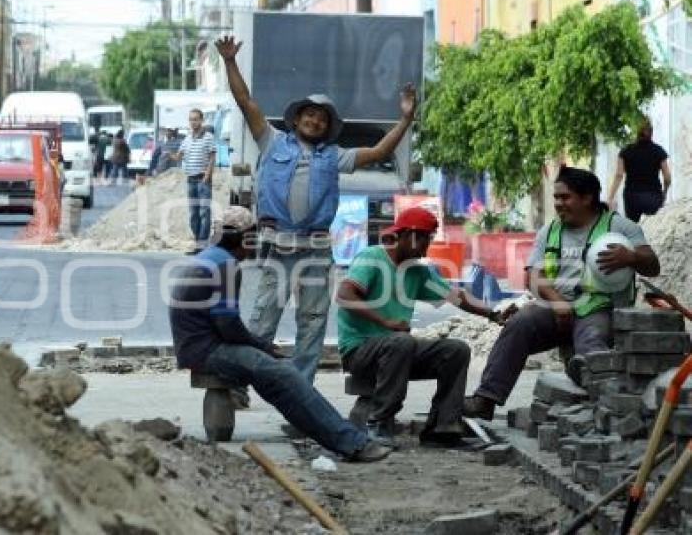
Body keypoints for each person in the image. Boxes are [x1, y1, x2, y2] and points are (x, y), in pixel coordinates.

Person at [215, 34, 418, 386]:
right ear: (296, 120)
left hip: (317, 249)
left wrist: (404, 120)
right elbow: (245, 101)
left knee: (312, 324)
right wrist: (230, 61)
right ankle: (240, 387)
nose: (314, 121)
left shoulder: (334, 155)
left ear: (327, 128)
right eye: (309, 115)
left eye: (321, 119)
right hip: (277, 246)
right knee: (264, 319)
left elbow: (378, 153)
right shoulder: (272, 140)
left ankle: (300, 392)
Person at [168, 205, 391, 463]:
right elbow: (227, 326)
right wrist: (261, 346)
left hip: (199, 347)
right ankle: (351, 443)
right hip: (207, 350)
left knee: (275, 377)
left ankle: (341, 437)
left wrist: (259, 347)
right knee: (284, 375)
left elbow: (226, 325)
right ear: (244, 238)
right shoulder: (226, 265)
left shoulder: (211, 257)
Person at [463, 167, 661, 420]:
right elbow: (532, 278)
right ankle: (485, 399)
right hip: (556, 308)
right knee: (518, 325)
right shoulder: (550, 231)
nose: (558, 204)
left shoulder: (620, 227)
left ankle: (606, 411)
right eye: (556, 198)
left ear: (587, 198)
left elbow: (653, 266)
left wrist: (631, 257)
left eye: (565, 197)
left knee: (591, 345)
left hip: (599, 309)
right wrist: (557, 302)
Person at [337, 207, 511, 447]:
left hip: (396, 350)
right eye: (426, 239)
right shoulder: (372, 258)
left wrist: (493, 314)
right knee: (402, 341)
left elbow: (456, 296)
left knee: (456, 351)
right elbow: (345, 295)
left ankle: (442, 428)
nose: (426, 247)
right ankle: (377, 423)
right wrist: (385, 322)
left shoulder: (417, 272)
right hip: (359, 351)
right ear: (409, 235)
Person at [607, 119, 671, 223]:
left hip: (632, 197)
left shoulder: (626, 151)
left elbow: (619, 175)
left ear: (636, 133)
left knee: (633, 229)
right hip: (653, 197)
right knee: (653, 228)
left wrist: (610, 197)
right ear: (651, 132)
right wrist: (664, 194)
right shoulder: (659, 151)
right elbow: (667, 178)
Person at [174, 110, 215, 252]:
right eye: (191, 119)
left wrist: (207, 176)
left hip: (202, 180)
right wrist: (170, 155)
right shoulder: (187, 138)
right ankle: (198, 242)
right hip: (190, 180)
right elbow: (178, 157)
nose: (193, 122)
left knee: (204, 213)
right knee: (193, 214)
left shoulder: (208, 137)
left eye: (196, 119)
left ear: (202, 120)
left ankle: (202, 245)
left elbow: (212, 157)